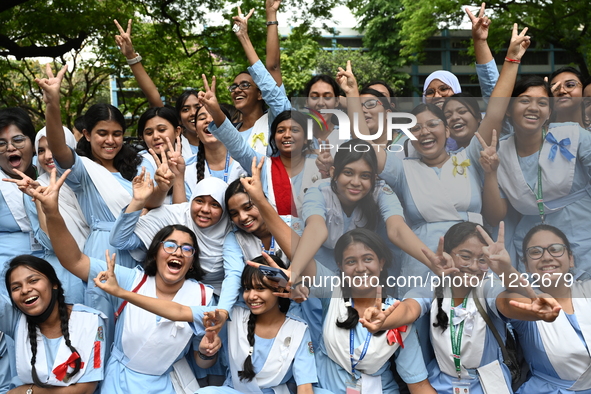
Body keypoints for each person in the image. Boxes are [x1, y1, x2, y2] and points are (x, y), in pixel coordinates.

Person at [27, 169, 215, 394]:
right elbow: (74, 261)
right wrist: (52, 211)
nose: (178, 253)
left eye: (187, 249)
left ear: (192, 261)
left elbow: (203, 361)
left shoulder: (203, 296)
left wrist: (206, 353)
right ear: (155, 253)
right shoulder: (130, 279)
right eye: (170, 245)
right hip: (119, 384)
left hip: (167, 385)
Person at [267, 228, 435, 393]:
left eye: (368, 259)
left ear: (381, 262)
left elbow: (419, 385)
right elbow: (297, 250)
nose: (360, 268)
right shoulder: (333, 291)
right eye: (351, 262)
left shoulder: (395, 313)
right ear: (340, 266)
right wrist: (260, 201)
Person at [35, 64, 170, 268]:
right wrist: (53, 104)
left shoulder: (141, 163)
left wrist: (163, 187)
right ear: (87, 135)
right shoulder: (83, 170)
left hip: (142, 246)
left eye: (116, 134)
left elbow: (151, 204)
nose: (110, 140)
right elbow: (58, 147)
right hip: (103, 252)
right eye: (102, 133)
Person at [481, 24, 591, 274]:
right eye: (524, 101)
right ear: (508, 109)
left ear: (550, 112)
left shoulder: (573, 136)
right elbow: (495, 214)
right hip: (533, 245)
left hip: (584, 233)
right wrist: (490, 173)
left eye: (542, 102)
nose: (534, 107)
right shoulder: (500, 151)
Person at [110, 176, 236, 316]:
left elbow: (234, 275)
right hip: (164, 295)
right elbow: (119, 240)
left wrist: (222, 311)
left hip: (213, 304)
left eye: (215, 205)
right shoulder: (173, 216)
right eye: (199, 201)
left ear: (224, 209)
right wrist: (138, 202)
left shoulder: (232, 232)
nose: (205, 209)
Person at [492, 224, 591, 394]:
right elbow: (507, 303)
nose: (546, 257)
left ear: (571, 258)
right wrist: (505, 270)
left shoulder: (587, 289)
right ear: (526, 265)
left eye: (555, 249)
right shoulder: (526, 305)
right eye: (536, 252)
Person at [8, 126, 88, 304]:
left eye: (53, 147)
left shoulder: (87, 183)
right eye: (42, 150)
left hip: (94, 262)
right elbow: (49, 242)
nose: (48, 156)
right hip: (62, 272)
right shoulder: (32, 189)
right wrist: (41, 201)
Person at [1, 255, 105, 393]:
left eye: (33, 280)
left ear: (54, 283)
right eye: (16, 287)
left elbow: (84, 390)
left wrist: (23, 391)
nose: (25, 290)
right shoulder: (16, 320)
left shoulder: (90, 321)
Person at [113, 19, 198, 157]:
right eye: (185, 109)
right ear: (178, 124)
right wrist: (131, 56)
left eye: (197, 107)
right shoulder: (176, 145)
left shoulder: (221, 141)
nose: (193, 113)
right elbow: (153, 98)